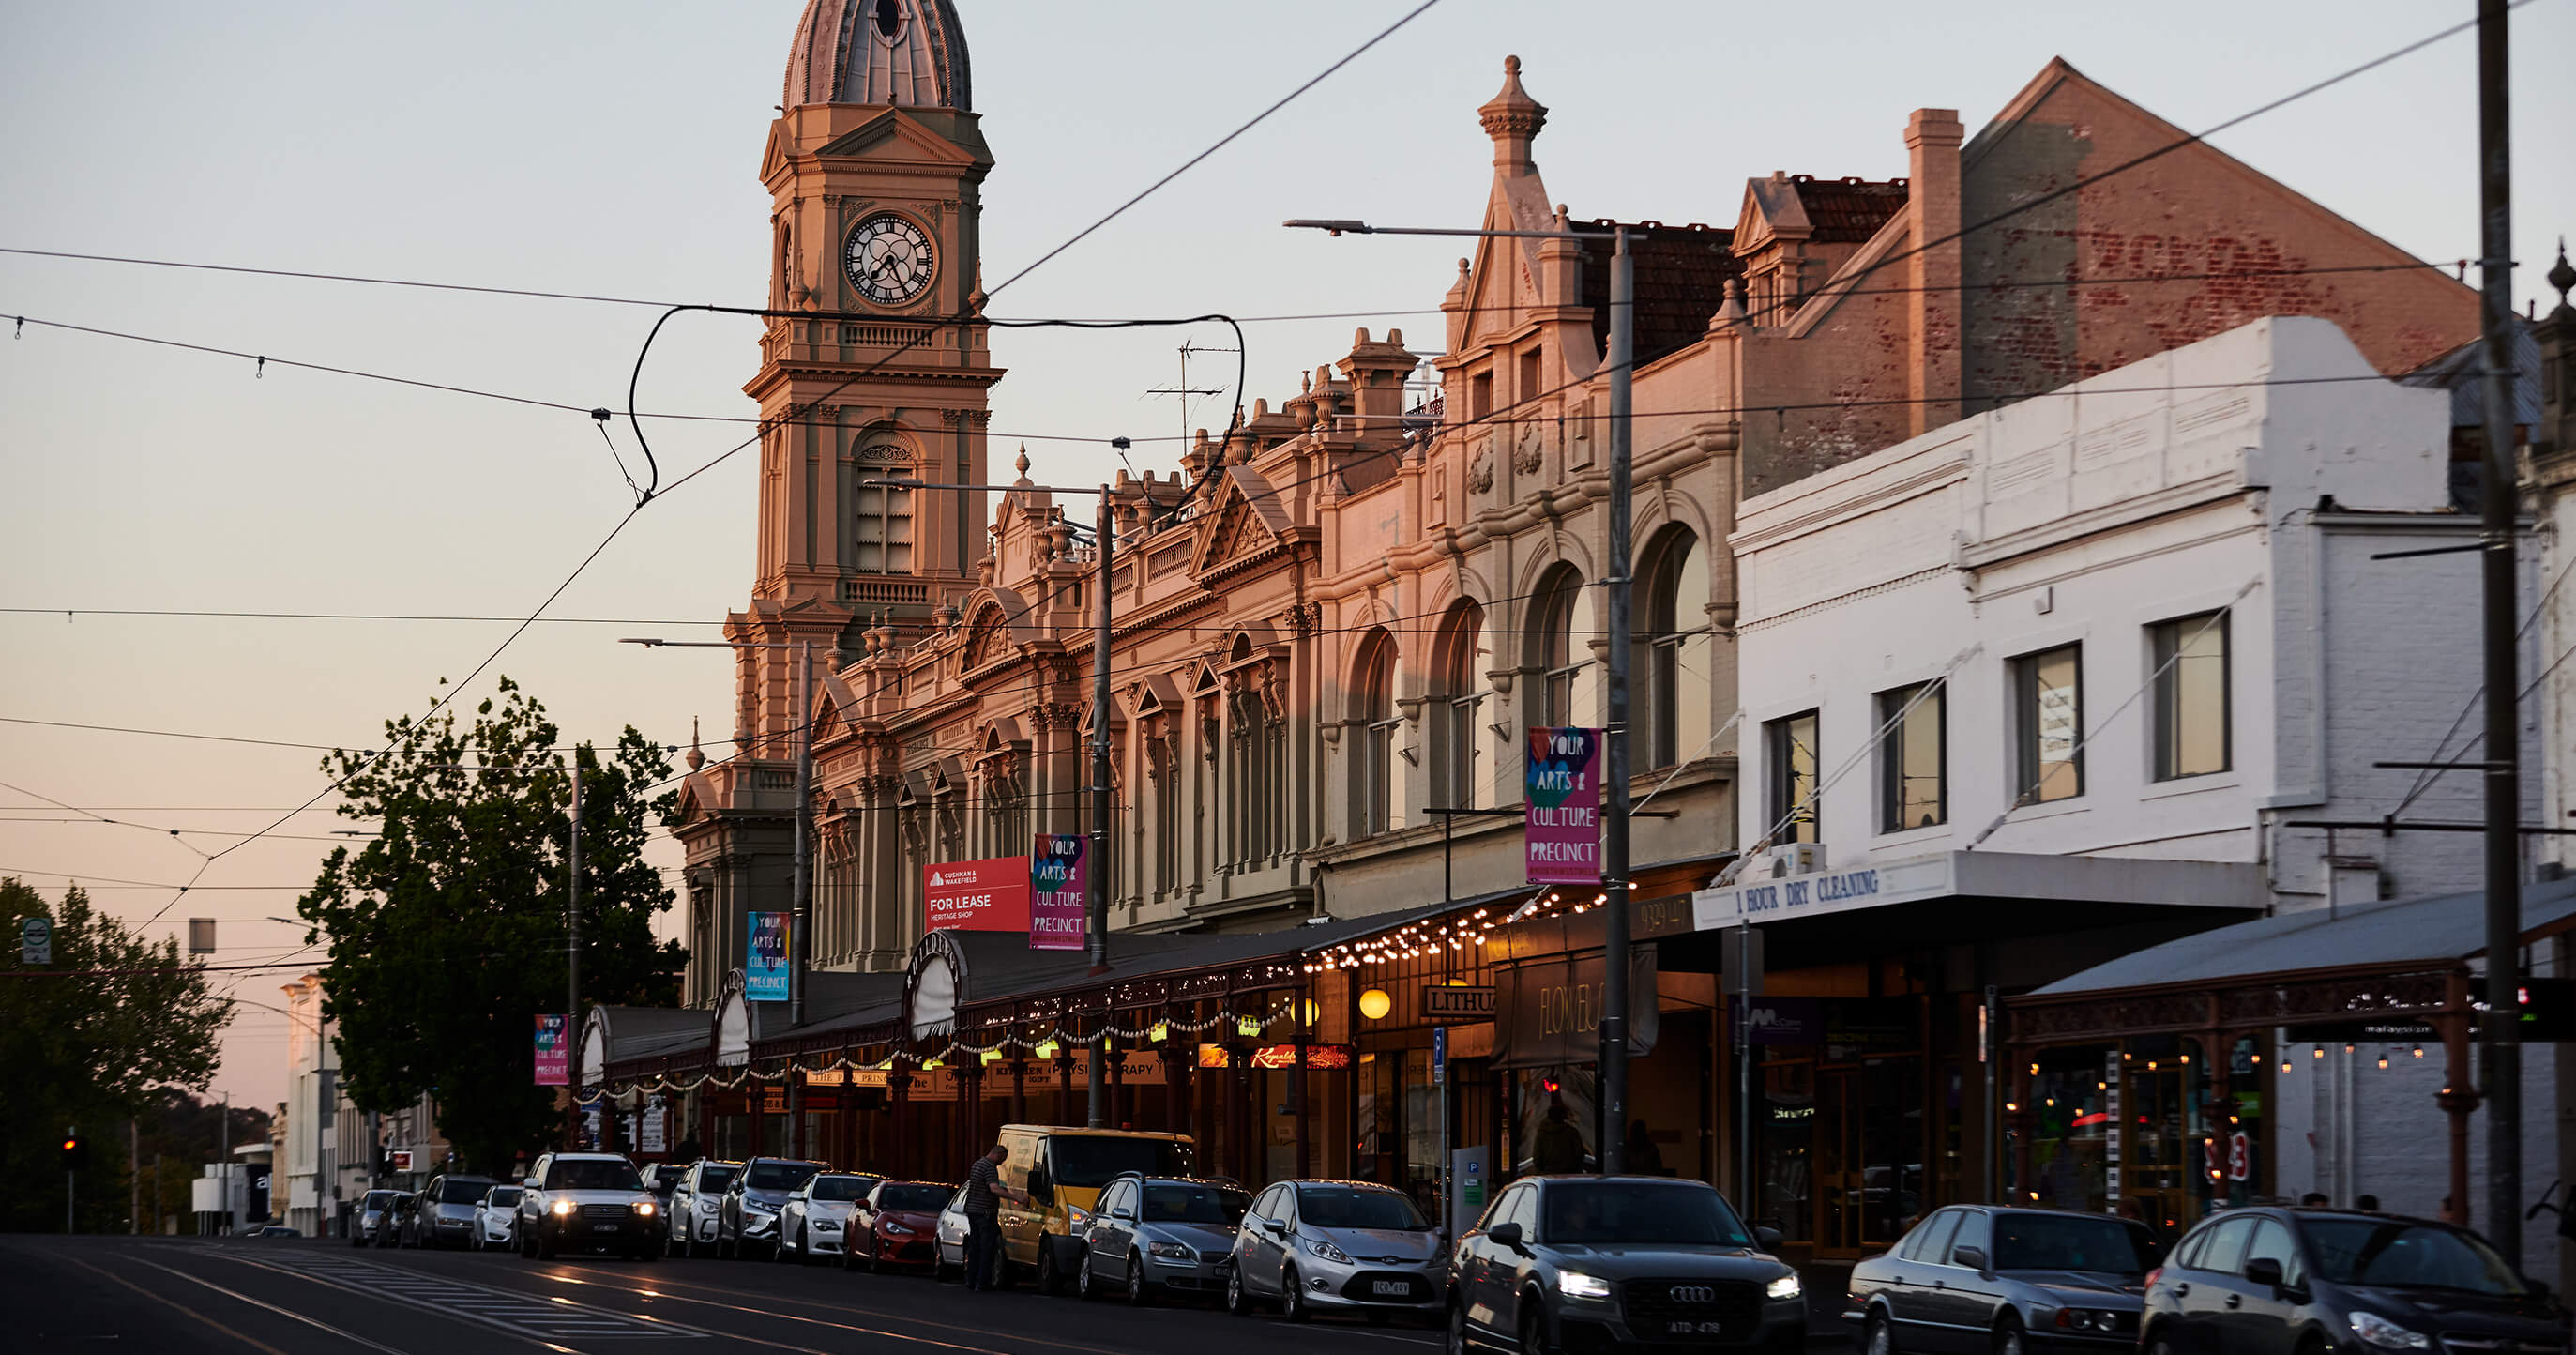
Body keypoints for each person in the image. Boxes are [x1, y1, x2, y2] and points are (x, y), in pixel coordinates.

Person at [962, 1143, 1025, 1290]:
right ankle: (982, 1282)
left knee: (974, 1247)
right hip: (985, 1213)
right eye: (1003, 1159)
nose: (1002, 1162)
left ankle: (970, 1280)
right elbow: (993, 1188)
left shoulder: (977, 1164)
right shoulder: (990, 1167)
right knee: (986, 1248)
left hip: (973, 1211)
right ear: (998, 1155)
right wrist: (1016, 1197)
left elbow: (981, 1187)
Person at [1534, 1094, 1586, 1175]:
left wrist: (1542, 1169)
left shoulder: (1542, 1133)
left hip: (1548, 1174)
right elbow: (1579, 1154)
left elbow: (1537, 1157)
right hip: (1569, 1174)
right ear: (1563, 1116)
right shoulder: (1571, 1132)